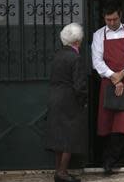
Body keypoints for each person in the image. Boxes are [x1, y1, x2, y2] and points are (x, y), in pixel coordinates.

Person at [91, 2, 124, 175]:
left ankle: (111, 160)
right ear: (104, 18)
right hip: (108, 82)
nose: (112, 23)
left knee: (123, 122)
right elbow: (97, 61)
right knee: (105, 122)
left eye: (114, 19)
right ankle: (107, 159)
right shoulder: (98, 35)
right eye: (108, 20)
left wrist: (123, 73)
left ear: (120, 15)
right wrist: (113, 77)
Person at [46, 23, 87, 182]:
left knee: (59, 136)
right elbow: (79, 85)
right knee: (69, 136)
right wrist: (83, 100)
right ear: (77, 41)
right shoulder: (75, 58)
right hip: (69, 100)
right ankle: (62, 173)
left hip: (55, 98)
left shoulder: (57, 56)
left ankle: (59, 172)